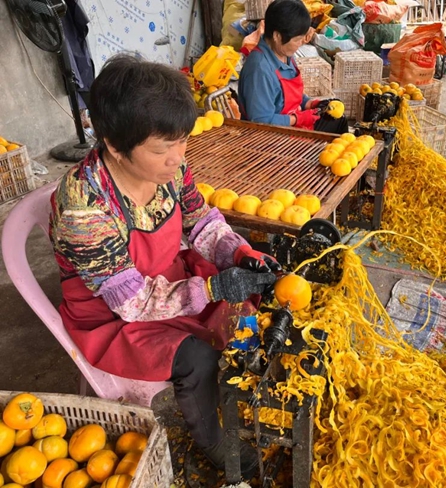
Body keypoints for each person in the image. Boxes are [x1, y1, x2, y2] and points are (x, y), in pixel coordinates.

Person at [48, 54, 280, 476]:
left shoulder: (173, 170)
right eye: (162, 148)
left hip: (167, 278)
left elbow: (201, 221)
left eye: (182, 141)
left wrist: (239, 253)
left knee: (247, 304)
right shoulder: (84, 208)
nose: (178, 158)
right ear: (115, 146)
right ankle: (213, 441)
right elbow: (134, 303)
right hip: (113, 315)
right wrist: (211, 290)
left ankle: (241, 385)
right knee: (194, 358)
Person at [237, 0, 349, 134]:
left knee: (337, 120)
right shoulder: (259, 69)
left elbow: (289, 97)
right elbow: (261, 121)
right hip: (271, 139)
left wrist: (311, 104)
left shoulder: (284, 53)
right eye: (297, 40)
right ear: (277, 36)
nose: (301, 44)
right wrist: (297, 119)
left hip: (291, 125)